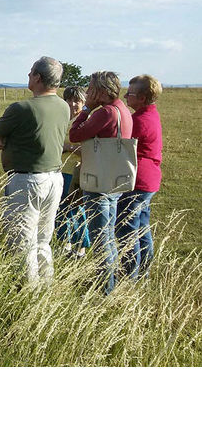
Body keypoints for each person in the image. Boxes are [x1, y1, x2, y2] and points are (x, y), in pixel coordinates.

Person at [0, 56, 69, 287]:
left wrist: (3, 139)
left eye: (31, 72)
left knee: (22, 241)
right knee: (44, 239)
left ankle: (28, 291)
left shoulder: (21, 108)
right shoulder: (64, 106)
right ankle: (46, 284)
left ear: (38, 77)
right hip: (55, 178)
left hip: (28, 180)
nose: (28, 76)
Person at [69, 71, 133, 295]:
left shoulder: (105, 112)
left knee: (100, 239)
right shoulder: (123, 110)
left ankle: (105, 289)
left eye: (91, 89)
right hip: (114, 180)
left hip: (99, 182)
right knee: (107, 235)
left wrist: (85, 110)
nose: (87, 93)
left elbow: (75, 135)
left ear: (102, 92)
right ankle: (110, 282)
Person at [116, 74, 162, 281]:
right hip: (149, 180)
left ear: (142, 98)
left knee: (127, 229)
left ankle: (129, 276)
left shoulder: (139, 120)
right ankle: (144, 273)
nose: (125, 96)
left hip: (137, 180)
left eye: (130, 93)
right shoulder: (151, 115)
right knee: (142, 227)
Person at [56, 87, 90, 258]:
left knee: (76, 209)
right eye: (69, 100)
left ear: (84, 103)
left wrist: (67, 147)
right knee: (61, 208)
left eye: (77, 101)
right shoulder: (61, 118)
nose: (72, 104)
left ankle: (81, 247)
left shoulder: (86, 121)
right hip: (59, 170)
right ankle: (65, 243)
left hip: (76, 171)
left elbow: (87, 150)